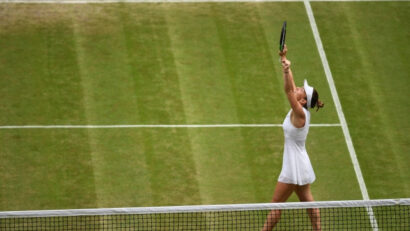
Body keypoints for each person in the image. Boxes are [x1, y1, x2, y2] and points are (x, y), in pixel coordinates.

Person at [261, 45, 324, 231]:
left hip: (294, 165)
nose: (297, 88)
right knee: (309, 204)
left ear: (303, 101)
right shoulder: (300, 109)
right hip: (299, 163)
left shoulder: (300, 114)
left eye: (301, 90)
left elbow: (289, 91)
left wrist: (286, 68)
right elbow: (291, 86)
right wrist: (284, 60)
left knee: (276, 204)